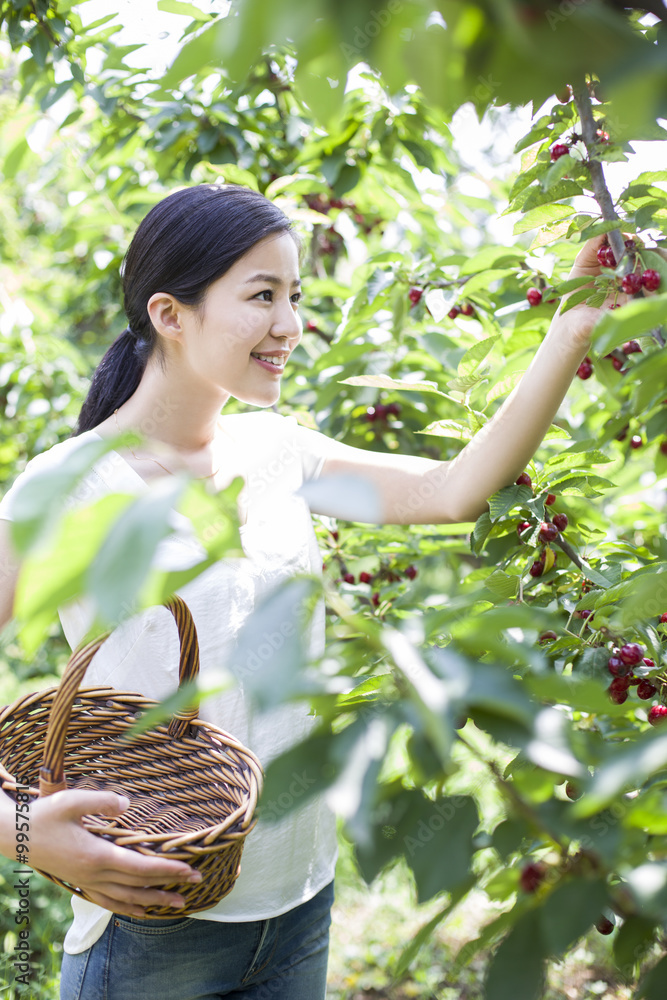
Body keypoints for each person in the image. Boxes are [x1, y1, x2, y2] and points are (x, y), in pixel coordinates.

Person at [0, 183, 617, 999]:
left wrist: (570, 329)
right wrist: (17, 832)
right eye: (262, 296)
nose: (290, 325)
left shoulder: (279, 455)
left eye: (294, 295)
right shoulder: (63, 488)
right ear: (169, 314)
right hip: (154, 931)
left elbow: (453, 489)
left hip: (299, 909)